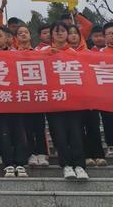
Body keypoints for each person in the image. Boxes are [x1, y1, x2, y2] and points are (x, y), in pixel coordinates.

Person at [40, 22, 89, 180]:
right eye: (56, 31)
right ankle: (66, 165)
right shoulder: (43, 52)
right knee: (59, 134)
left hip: (74, 101)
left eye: (63, 31)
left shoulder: (76, 52)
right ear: (51, 34)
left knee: (76, 132)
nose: (60, 34)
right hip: (54, 101)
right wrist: (48, 56)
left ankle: (80, 165)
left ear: (67, 34)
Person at [0, 26, 29, 178]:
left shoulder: (16, 54)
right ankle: (8, 164)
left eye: (1, 36)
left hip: (15, 100)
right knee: (3, 133)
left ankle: (20, 163)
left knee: (18, 132)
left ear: (7, 38)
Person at [67, 25, 107, 167]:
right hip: (73, 97)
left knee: (93, 126)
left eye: (75, 33)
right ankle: (86, 155)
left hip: (90, 96)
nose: (73, 36)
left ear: (80, 36)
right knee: (77, 128)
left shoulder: (89, 53)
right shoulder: (62, 54)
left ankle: (98, 154)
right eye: (70, 33)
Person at [15, 25, 49, 168]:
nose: (23, 35)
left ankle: (42, 153)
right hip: (21, 97)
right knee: (25, 127)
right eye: (20, 33)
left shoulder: (39, 52)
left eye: (26, 32)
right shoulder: (11, 54)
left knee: (39, 126)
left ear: (30, 35)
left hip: (37, 96)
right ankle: (30, 153)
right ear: (16, 38)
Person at [100, 22, 113, 157]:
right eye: (110, 34)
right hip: (107, 93)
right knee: (109, 120)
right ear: (104, 37)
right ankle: (111, 145)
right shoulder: (99, 53)